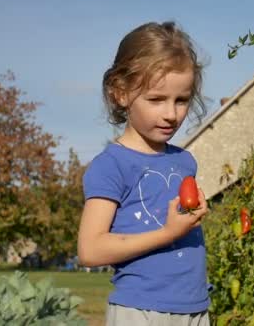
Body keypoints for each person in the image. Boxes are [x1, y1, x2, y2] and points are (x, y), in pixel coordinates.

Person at [77, 21, 211, 325]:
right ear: (121, 93)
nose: (171, 113)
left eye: (181, 100)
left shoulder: (185, 162)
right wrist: (168, 233)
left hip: (195, 306)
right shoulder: (111, 165)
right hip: (141, 310)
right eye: (156, 99)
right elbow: (90, 249)